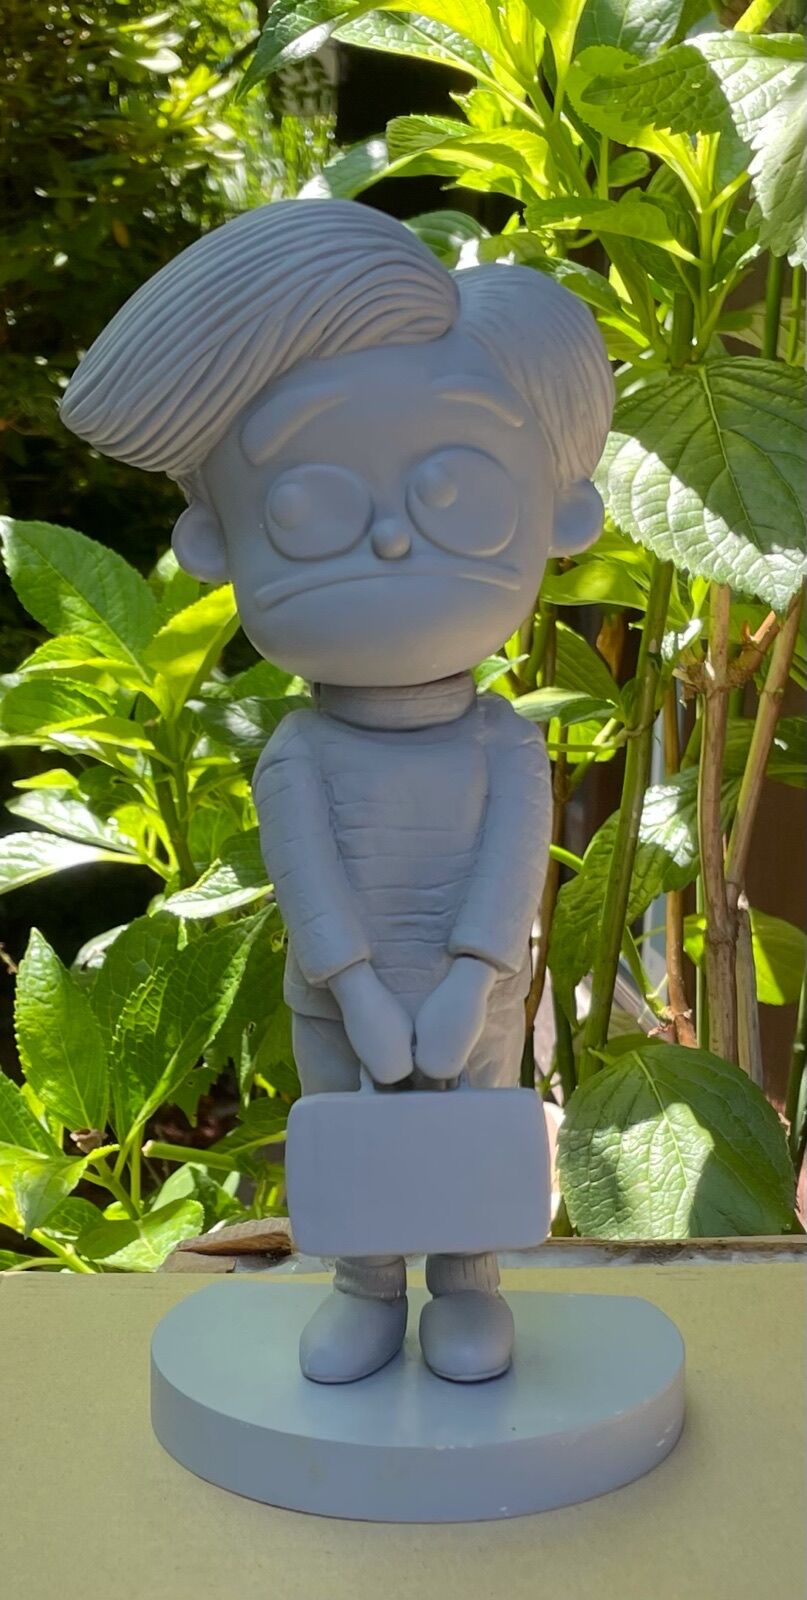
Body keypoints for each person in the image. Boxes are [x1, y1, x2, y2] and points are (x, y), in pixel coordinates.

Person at [62, 198, 613, 1384]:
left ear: (562, 513)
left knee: (469, 1136)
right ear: (215, 539)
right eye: (308, 503)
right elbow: (308, 873)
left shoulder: (505, 743)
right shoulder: (300, 752)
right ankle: (367, 1288)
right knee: (355, 1143)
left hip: (477, 999)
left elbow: (510, 867)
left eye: (459, 491)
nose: (394, 541)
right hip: (337, 998)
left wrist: (468, 977)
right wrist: (355, 985)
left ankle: (468, 1282)